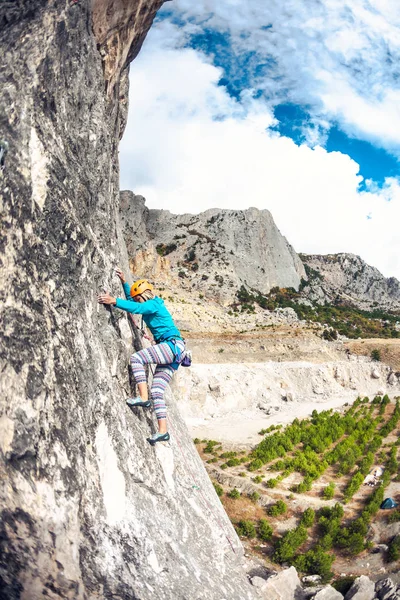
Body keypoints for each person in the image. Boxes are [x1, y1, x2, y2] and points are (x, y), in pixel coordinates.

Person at [98, 268, 185, 445]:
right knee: (157, 391)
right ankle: (163, 432)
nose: (137, 300)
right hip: (176, 353)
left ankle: (143, 399)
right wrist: (124, 282)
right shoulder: (150, 305)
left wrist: (114, 300)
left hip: (171, 346)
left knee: (137, 359)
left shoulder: (154, 303)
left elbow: (136, 307)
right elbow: (134, 303)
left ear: (145, 294)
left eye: (139, 297)